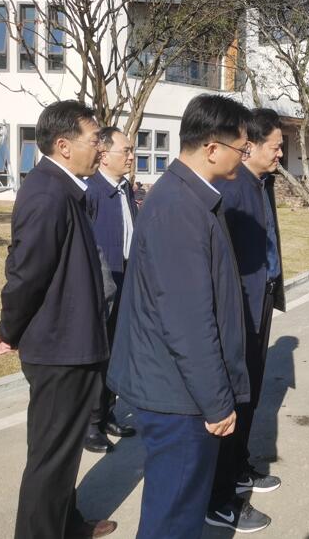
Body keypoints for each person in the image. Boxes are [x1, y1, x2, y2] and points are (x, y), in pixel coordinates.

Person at [107, 94, 253, 538]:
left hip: (178, 389)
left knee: (176, 511)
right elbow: (187, 320)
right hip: (178, 398)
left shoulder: (189, 197)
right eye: (240, 149)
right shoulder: (179, 207)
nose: (243, 158)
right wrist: (216, 400)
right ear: (212, 148)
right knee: (173, 519)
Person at [0, 100, 117, 539]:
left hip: (73, 343)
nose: (100, 149)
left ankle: (67, 525)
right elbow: (26, 272)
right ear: (63, 145)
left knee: (61, 454)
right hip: (59, 349)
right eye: (93, 140)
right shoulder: (47, 191)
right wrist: (9, 329)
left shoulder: (64, 188)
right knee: (49, 457)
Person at [208, 108, 286, 533]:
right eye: (275, 146)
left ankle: (239, 469)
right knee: (234, 399)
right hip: (238, 308)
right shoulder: (233, 190)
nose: (280, 154)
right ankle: (220, 497)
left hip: (260, 300)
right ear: (249, 146)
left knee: (251, 395)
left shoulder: (260, 183)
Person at [83, 126, 137, 454]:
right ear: (103, 155)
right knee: (97, 354)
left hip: (127, 277)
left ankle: (109, 412)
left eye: (132, 151)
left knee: (118, 351)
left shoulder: (125, 188)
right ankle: (90, 423)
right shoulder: (91, 191)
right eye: (126, 151)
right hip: (102, 284)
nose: (131, 156)